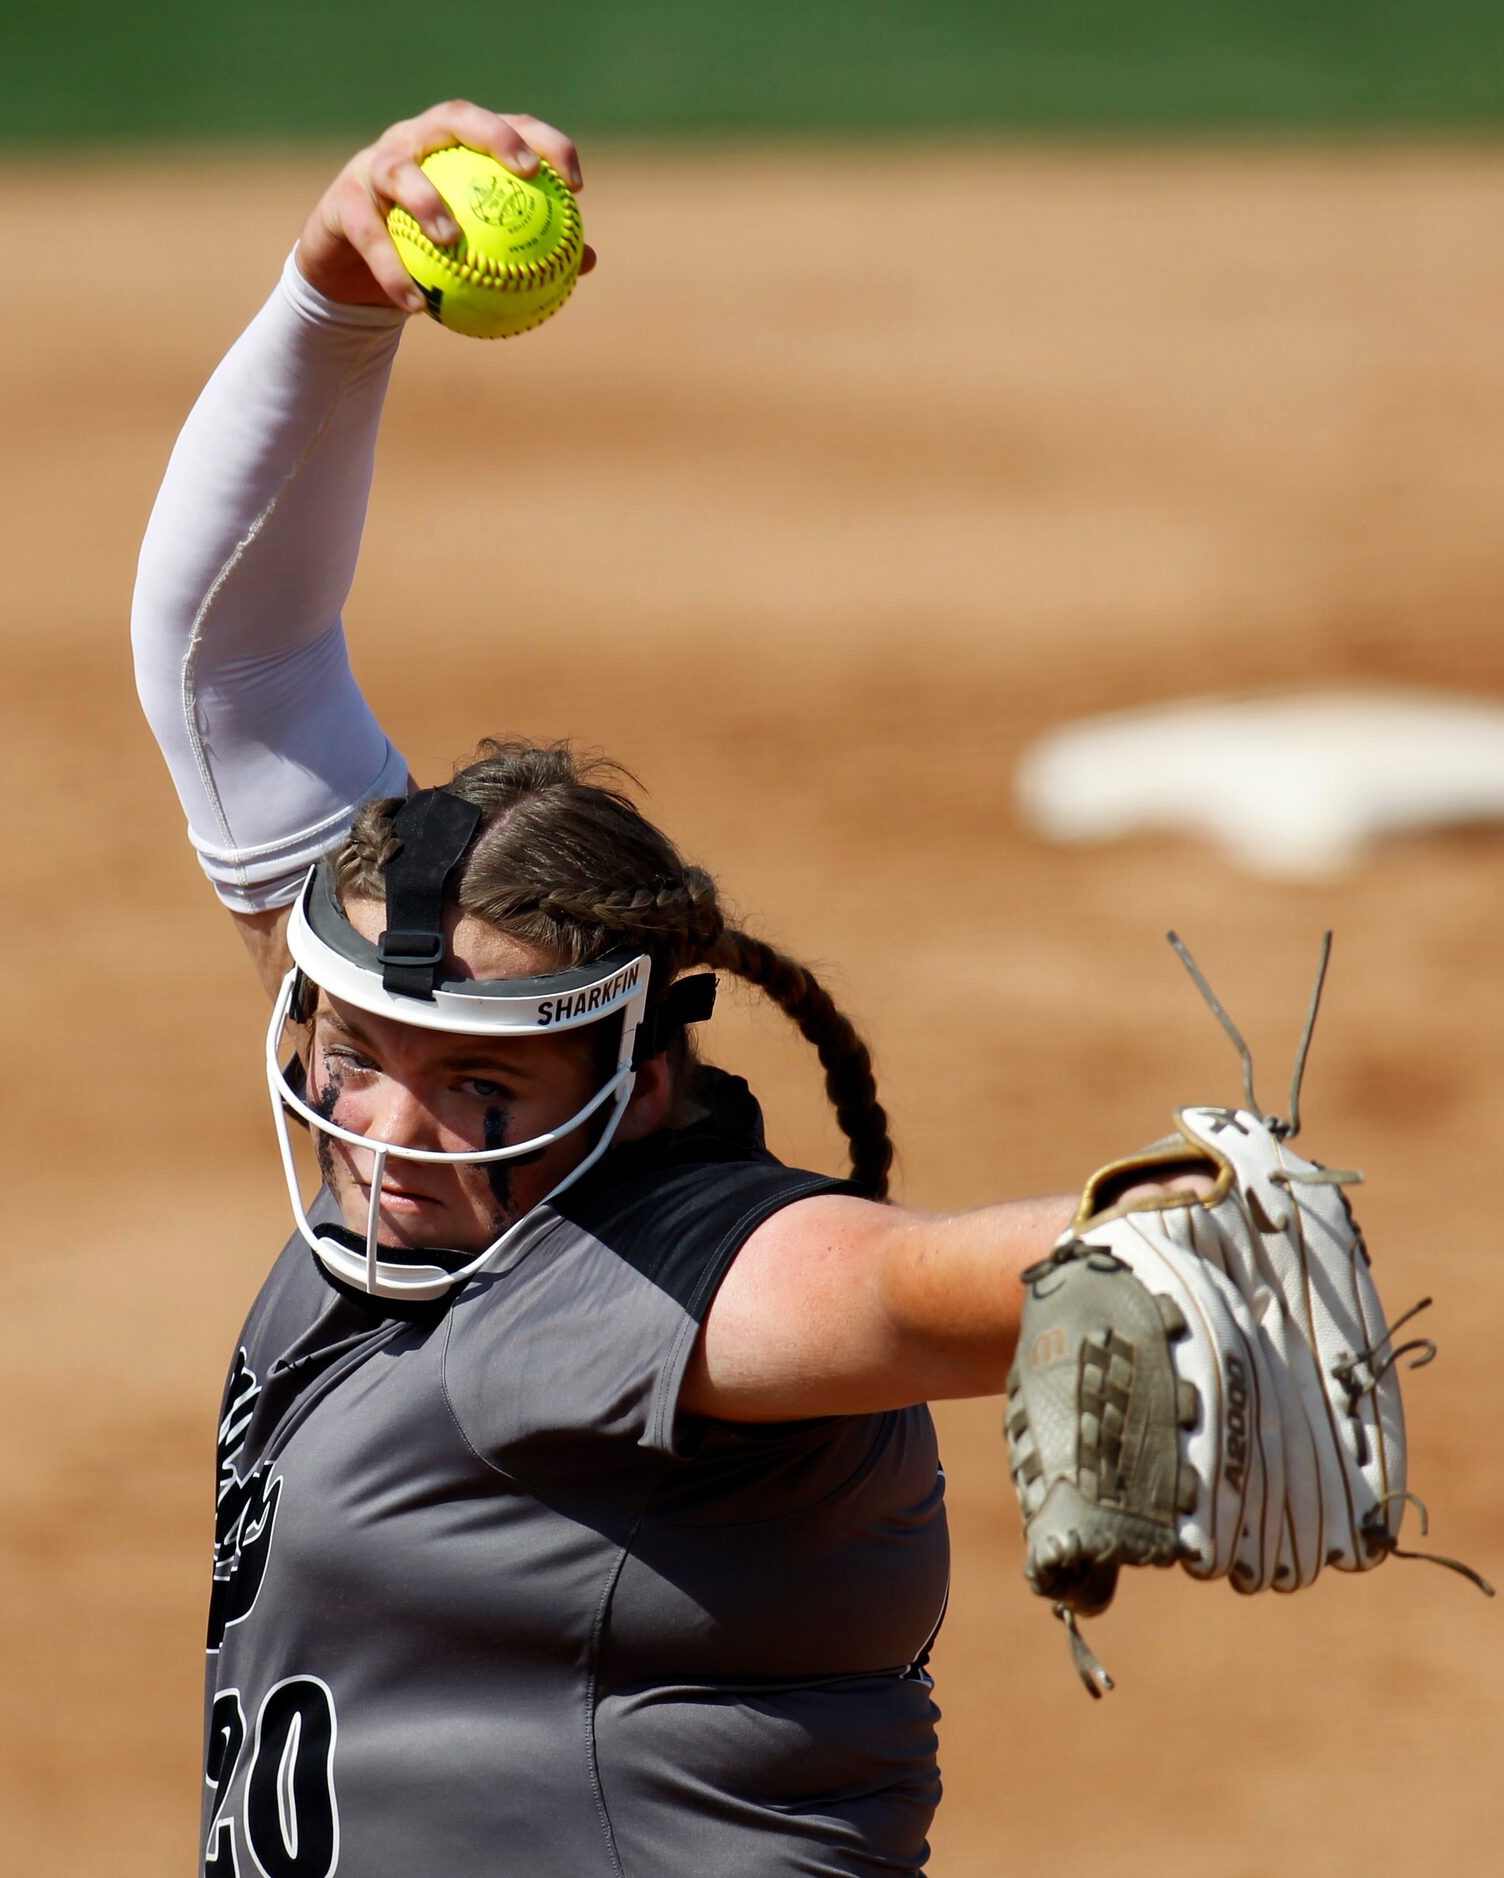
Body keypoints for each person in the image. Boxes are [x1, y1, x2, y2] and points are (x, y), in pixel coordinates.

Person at [134, 101, 1189, 1877]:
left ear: (628, 1091)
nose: (391, 1132)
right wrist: (332, 297)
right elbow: (227, 659)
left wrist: (1152, 1253)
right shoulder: (400, 1098)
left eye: (481, 1093)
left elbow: (884, 1284)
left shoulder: (626, 1282)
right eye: (358, 1055)